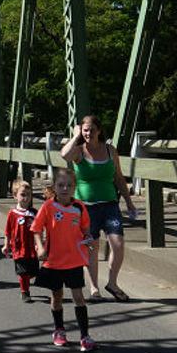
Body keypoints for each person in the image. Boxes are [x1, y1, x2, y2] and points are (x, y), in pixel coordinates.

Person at [60, 114, 137, 301]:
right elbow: (64, 155)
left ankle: (112, 282)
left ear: (99, 131)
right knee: (92, 248)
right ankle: (94, 288)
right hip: (86, 207)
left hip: (110, 204)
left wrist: (128, 201)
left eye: (91, 130)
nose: (88, 133)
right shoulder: (78, 151)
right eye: (85, 130)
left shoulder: (110, 150)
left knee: (118, 245)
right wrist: (76, 135)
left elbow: (118, 177)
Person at [32, 169, 96, 353]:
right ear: (54, 187)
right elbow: (36, 229)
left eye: (69, 185)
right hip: (53, 260)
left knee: (78, 297)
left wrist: (89, 238)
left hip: (74, 259)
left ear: (75, 187)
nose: (65, 188)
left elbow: (86, 229)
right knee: (57, 296)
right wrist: (40, 247)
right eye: (61, 185)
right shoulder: (48, 206)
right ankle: (59, 330)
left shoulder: (80, 207)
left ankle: (85, 336)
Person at [3, 179, 39, 302]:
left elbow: (40, 229)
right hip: (19, 249)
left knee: (33, 272)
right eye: (23, 194)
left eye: (28, 195)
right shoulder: (12, 214)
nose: (26, 198)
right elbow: (8, 231)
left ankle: (26, 281)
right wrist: (6, 245)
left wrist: (41, 243)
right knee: (23, 272)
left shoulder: (34, 213)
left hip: (32, 248)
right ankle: (25, 292)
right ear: (15, 196)